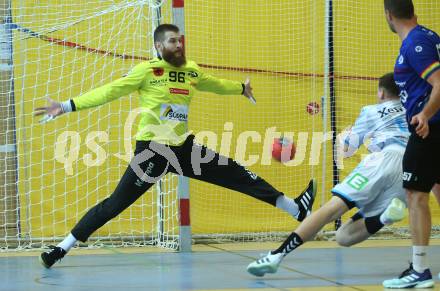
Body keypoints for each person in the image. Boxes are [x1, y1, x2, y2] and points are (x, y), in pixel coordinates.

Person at [34, 24, 317, 268]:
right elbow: (109, 91)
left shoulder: (191, 71)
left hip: (183, 150)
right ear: (159, 46)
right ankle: (60, 249)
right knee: (114, 204)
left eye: (180, 40)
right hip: (152, 152)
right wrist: (67, 106)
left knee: (236, 172)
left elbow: (214, 84)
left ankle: (296, 209)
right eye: (173, 40)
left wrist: (240, 89)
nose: (179, 44)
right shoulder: (146, 70)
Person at [246, 73, 409, 277]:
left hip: (384, 159)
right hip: (411, 169)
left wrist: (343, 137)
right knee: (344, 236)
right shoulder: (414, 110)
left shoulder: (372, 111)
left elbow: (347, 150)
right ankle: (385, 217)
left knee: (330, 209)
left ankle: (275, 256)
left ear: (381, 92)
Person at [382, 0, 440, 288]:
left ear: (389, 15)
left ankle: (419, 270)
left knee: (415, 194)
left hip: (429, 128)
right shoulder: (428, 37)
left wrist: (425, 115)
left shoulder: (415, 43)